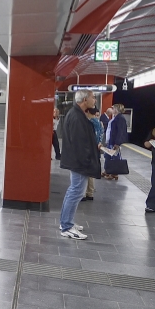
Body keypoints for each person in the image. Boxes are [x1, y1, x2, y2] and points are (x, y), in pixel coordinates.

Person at [57, 90, 101, 240]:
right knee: (75, 192)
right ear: (84, 100)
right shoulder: (77, 117)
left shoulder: (76, 114)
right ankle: (67, 226)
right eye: (93, 97)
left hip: (77, 161)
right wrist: (88, 162)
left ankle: (66, 223)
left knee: (74, 192)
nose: (95, 100)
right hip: (80, 163)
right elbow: (79, 144)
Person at [83, 106, 104, 202]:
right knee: (91, 172)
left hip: (87, 150)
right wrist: (99, 143)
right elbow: (100, 136)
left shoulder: (88, 123)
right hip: (96, 150)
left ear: (87, 112)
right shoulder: (99, 123)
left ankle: (83, 193)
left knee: (83, 172)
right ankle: (90, 193)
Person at [104, 103, 129, 181]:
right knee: (107, 156)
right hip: (111, 141)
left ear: (117, 109)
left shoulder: (120, 118)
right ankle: (107, 171)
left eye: (113, 108)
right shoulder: (115, 117)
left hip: (114, 142)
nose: (112, 110)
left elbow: (121, 131)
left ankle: (114, 173)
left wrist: (117, 143)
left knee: (115, 157)